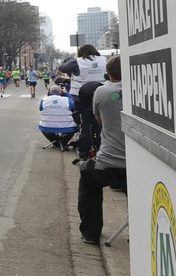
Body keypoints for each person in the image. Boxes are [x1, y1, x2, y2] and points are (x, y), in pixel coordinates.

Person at [78, 56, 126, 245]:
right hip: (139, 167)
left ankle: (90, 233)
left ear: (109, 74)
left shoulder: (101, 91)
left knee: (87, 178)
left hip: (109, 163)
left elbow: (99, 120)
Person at [58, 44, 107, 162]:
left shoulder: (77, 61)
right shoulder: (104, 60)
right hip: (101, 95)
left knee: (85, 125)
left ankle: (84, 153)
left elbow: (62, 68)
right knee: (101, 125)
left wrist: (73, 58)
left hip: (81, 98)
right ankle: (101, 150)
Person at [38, 86, 77, 150]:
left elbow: (41, 109)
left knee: (44, 128)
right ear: (61, 92)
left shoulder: (44, 100)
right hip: (67, 127)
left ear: (49, 92)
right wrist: (66, 93)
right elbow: (74, 107)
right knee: (74, 128)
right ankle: (63, 142)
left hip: (47, 126)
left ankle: (56, 142)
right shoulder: (67, 100)